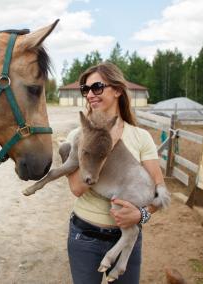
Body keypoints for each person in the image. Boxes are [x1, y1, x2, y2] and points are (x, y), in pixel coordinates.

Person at [66, 62, 166, 284]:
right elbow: (77, 188)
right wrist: (104, 146)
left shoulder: (141, 137)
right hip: (84, 238)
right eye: (86, 89)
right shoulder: (77, 135)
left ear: (118, 90)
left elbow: (160, 193)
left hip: (127, 238)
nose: (90, 94)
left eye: (97, 87)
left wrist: (142, 215)